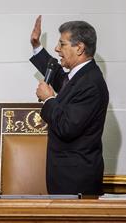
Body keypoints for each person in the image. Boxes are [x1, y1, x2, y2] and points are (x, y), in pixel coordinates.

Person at [30, 15, 109, 195]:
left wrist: (49, 99)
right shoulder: (80, 76)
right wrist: (37, 47)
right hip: (66, 177)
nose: (57, 49)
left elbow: (67, 127)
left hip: (77, 181)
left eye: (62, 44)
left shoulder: (91, 84)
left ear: (79, 48)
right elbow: (59, 78)